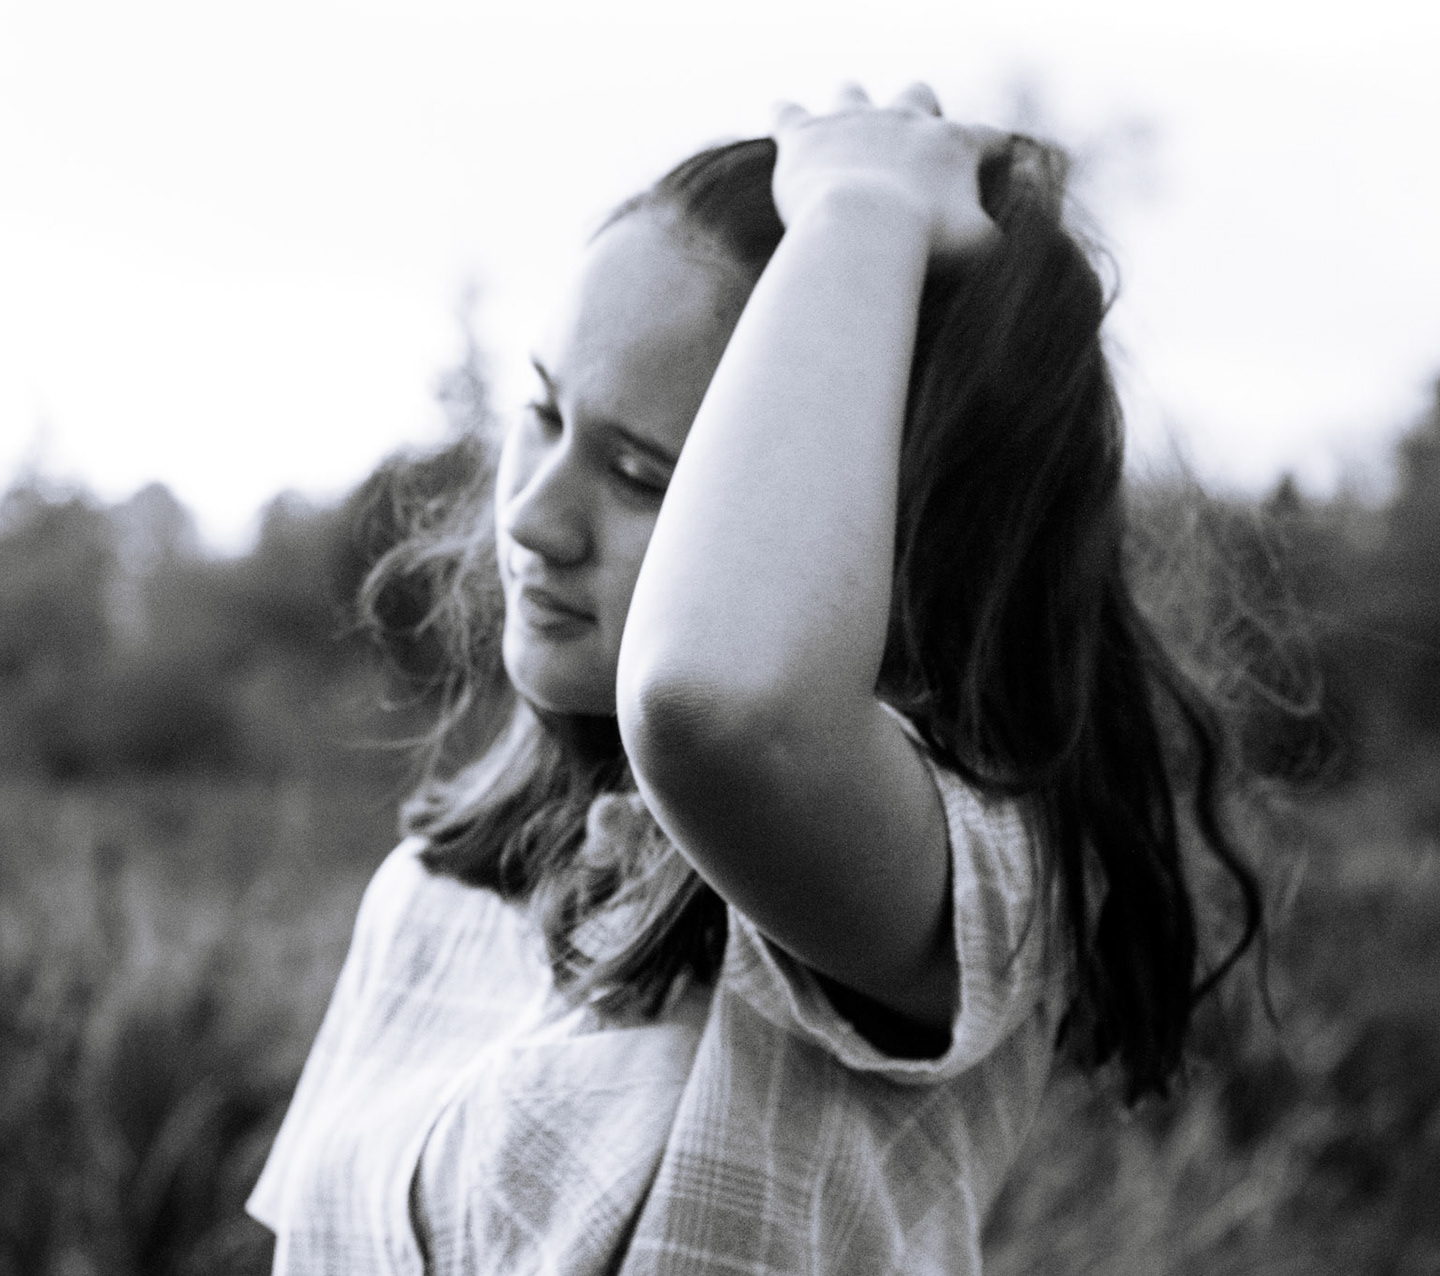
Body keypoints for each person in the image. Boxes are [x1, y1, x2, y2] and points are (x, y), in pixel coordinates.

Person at [246, 82, 1262, 1275]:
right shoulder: (434, 889)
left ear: (883, 537)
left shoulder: (944, 880)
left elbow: (722, 705)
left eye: (643, 474)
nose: (531, 516)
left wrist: (861, 215)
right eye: (545, 412)